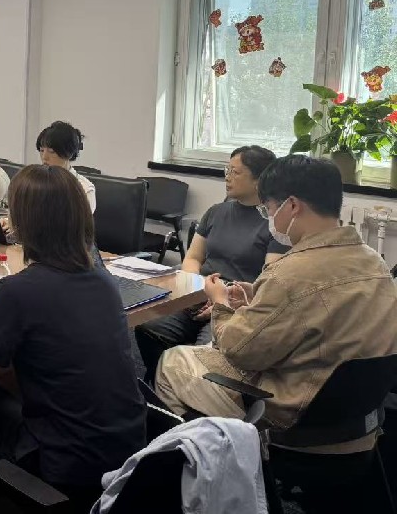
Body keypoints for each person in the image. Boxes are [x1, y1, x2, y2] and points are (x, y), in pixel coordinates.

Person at [155, 155, 397, 451]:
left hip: (293, 418)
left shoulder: (291, 272)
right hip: (357, 421)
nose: (269, 217)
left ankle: (216, 461)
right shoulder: (375, 263)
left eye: (268, 208)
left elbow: (239, 351)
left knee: (173, 361)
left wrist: (221, 304)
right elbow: (318, 315)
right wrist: (258, 298)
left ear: (292, 206)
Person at [0, 165, 146, 506]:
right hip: (128, 453)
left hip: (69, 467)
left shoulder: (17, 291)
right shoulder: (103, 280)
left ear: (24, 222)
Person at [134, 145, 288, 382]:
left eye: (235, 172)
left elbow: (268, 282)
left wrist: (221, 300)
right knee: (149, 328)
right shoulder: (216, 212)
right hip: (199, 294)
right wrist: (197, 287)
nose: (227, 177)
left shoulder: (275, 224)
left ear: (260, 180)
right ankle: (160, 386)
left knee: (205, 354)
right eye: (227, 170)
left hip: (236, 305)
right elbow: (193, 258)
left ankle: (189, 394)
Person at [36, 121, 96, 212]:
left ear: (69, 153)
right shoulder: (36, 182)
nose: (44, 157)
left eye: (52, 152)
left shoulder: (84, 189)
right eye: (41, 150)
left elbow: (78, 220)